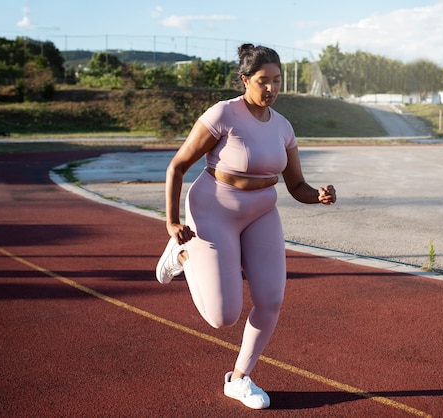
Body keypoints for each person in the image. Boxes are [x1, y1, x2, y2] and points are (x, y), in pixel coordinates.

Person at [156, 43, 336, 410]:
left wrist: (317, 194)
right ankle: (183, 253)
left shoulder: (284, 128)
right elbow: (177, 166)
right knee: (223, 317)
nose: (270, 88)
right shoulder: (223, 114)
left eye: (276, 81)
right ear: (245, 80)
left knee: (271, 300)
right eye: (262, 81)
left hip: (261, 213)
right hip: (213, 209)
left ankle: (239, 378)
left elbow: (296, 186)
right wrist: (173, 222)